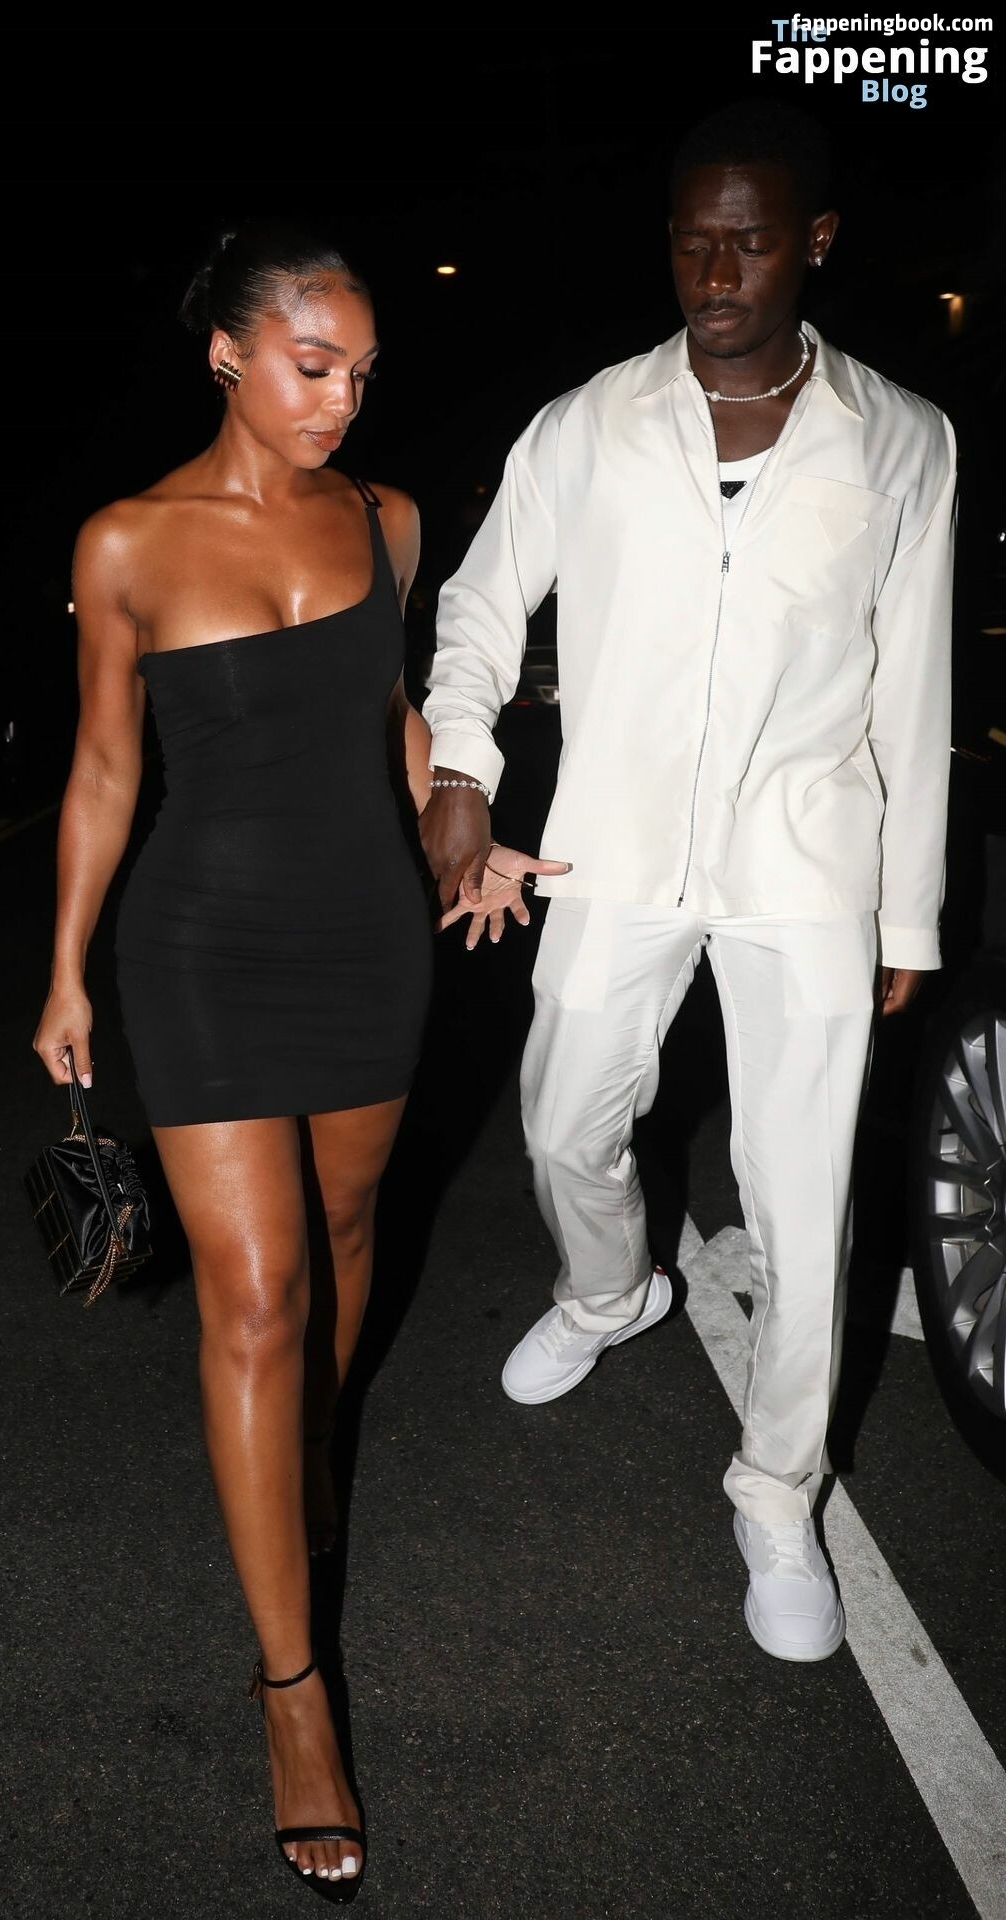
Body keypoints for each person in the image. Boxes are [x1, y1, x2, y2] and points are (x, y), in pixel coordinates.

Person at [31, 218, 564, 1899]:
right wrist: (65, 968)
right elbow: (105, 769)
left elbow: (393, 720)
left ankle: (301, 1467)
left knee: (340, 1247)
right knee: (254, 1297)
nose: (340, 399)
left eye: (361, 373)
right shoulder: (128, 540)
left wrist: (460, 832)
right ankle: (294, 1695)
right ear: (226, 353)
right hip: (198, 949)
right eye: (312, 364)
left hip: (367, 943)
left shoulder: (386, 521)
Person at [424, 101, 956, 1664]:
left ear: (816, 244)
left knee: (803, 1191)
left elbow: (912, 686)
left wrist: (907, 910)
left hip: (809, 852)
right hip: (615, 835)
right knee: (561, 1117)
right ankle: (610, 1294)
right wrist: (461, 770)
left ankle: (779, 1488)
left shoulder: (903, 438)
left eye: (751, 240)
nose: (716, 272)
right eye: (691, 241)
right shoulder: (588, 424)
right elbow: (480, 603)